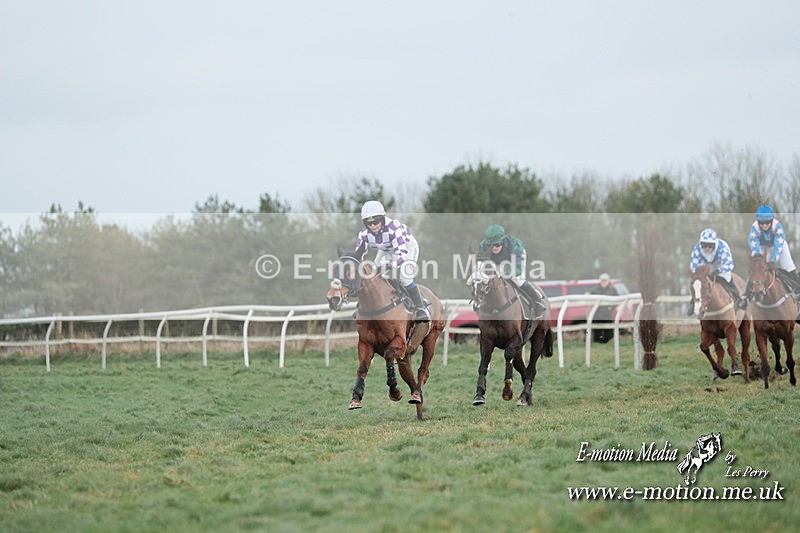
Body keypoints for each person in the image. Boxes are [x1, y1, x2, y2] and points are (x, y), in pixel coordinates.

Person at [355, 200, 430, 322]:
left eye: (376, 221)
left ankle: (420, 308)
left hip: (407, 248)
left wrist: (388, 265)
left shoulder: (394, 228)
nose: (373, 226)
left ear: (382, 218)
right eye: (369, 223)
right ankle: (365, 306)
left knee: (405, 278)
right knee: (371, 275)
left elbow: (401, 255)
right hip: (385, 250)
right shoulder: (364, 234)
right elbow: (359, 255)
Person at [739, 205, 800, 308]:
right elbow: (754, 245)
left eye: (767, 222)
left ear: (771, 220)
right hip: (763, 247)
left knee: (789, 267)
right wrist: (759, 259)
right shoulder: (754, 228)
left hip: (778, 246)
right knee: (757, 269)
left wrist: (772, 261)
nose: (764, 225)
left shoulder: (777, 226)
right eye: (762, 223)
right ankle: (746, 297)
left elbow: (778, 246)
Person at [477, 224, 545, 315]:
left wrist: (504, 272)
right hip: (496, 261)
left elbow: (518, 269)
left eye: (497, 244)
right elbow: (480, 264)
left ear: (502, 240)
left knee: (517, 280)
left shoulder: (515, 245)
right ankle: (479, 302)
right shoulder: (483, 246)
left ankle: (537, 300)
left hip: (513, 261)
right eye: (491, 245)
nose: (494, 247)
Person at [688, 228, 742, 315]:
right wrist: (697, 276)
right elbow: (693, 266)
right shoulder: (697, 249)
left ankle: (737, 297)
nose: (707, 248)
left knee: (727, 278)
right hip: (705, 265)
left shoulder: (722, 247)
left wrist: (719, 270)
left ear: (715, 244)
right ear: (700, 244)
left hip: (720, 265)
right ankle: (693, 302)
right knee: (698, 283)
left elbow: (730, 264)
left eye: (710, 246)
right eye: (704, 246)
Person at [589, 273, 616, 342]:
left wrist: (611, 307)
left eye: (605, 280)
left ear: (608, 281)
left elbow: (616, 300)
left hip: (607, 314)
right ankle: (597, 343)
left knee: (608, 330)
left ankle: (608, 342)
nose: (604, 282)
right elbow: (589, 295)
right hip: (597, 313)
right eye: (602, 281)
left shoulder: (612, 289)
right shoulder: (595, 289)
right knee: (597, 330)